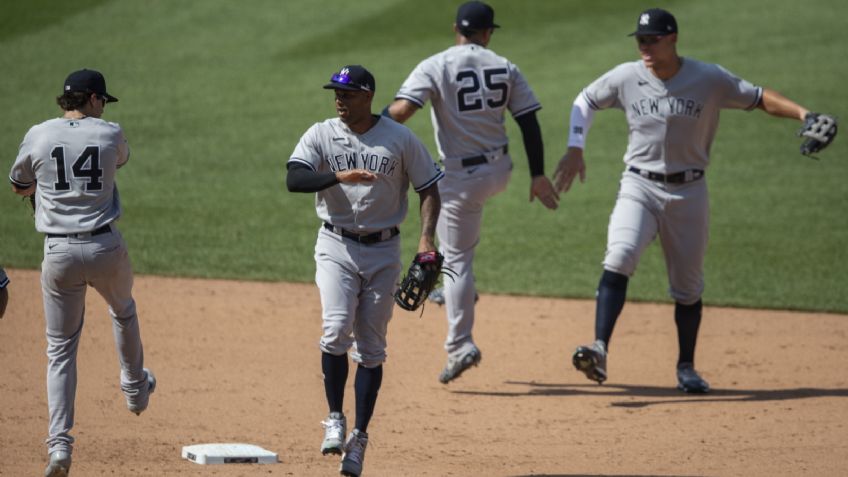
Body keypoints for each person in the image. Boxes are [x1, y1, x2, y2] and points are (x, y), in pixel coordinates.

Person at [553, 8, 827, 393]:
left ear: (672, 39)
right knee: (619, 256)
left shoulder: (708, 78)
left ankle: (686, 367)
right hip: (639, 186)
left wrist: (804, 113)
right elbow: (584, 100)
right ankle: (599, 348)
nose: (645, 47)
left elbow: (760, 98)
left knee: (688, 287)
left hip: (689, 192)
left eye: (652, 39)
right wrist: (575, 147)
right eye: (640, 40)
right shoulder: (626, 76)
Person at [386, 0, 559, 384]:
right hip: (500, 170)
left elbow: (401, 112)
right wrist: (538, 175)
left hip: (462, 179)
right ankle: (454, 292)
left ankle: (461, 344)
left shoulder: (436, 64)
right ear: (488, 32)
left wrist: (371, 124)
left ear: (456, 29)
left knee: (457, 260)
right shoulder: (504, 65)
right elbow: (528, 120)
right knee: (455, 248)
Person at [287, 64, 442, 477]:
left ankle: (359, 440)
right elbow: (294, 178)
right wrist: (338, 175)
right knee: (336, 328)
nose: (340, 99)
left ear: (369, 96)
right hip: (335, 244)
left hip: (384, 250)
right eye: (336, 92)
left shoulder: (400, 138)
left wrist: (427, 239)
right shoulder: (321, 132)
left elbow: (429, 188)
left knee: (372, 347)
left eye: (349, 93)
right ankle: (335, 417)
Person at [9, 68, 156, 476]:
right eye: (102, 100)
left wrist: (41, 190)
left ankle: (59, 447)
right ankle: (135, 390)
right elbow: (119, 161)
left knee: (60, 349)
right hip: (104, 245)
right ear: (92, 99)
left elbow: (18, 183)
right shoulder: (110, 133)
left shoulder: (38, 133)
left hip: (57, 253)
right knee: (123, 310)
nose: (104, 106)